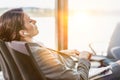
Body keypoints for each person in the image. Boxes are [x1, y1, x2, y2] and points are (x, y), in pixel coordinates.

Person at [0, 8, 92, 80]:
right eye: (30, 21)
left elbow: (40, 62)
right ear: (23, 33)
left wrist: (59, 54)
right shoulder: (39, 53)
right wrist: (83, 59)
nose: (35, 21)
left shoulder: (17, 47)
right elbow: (80, 79)